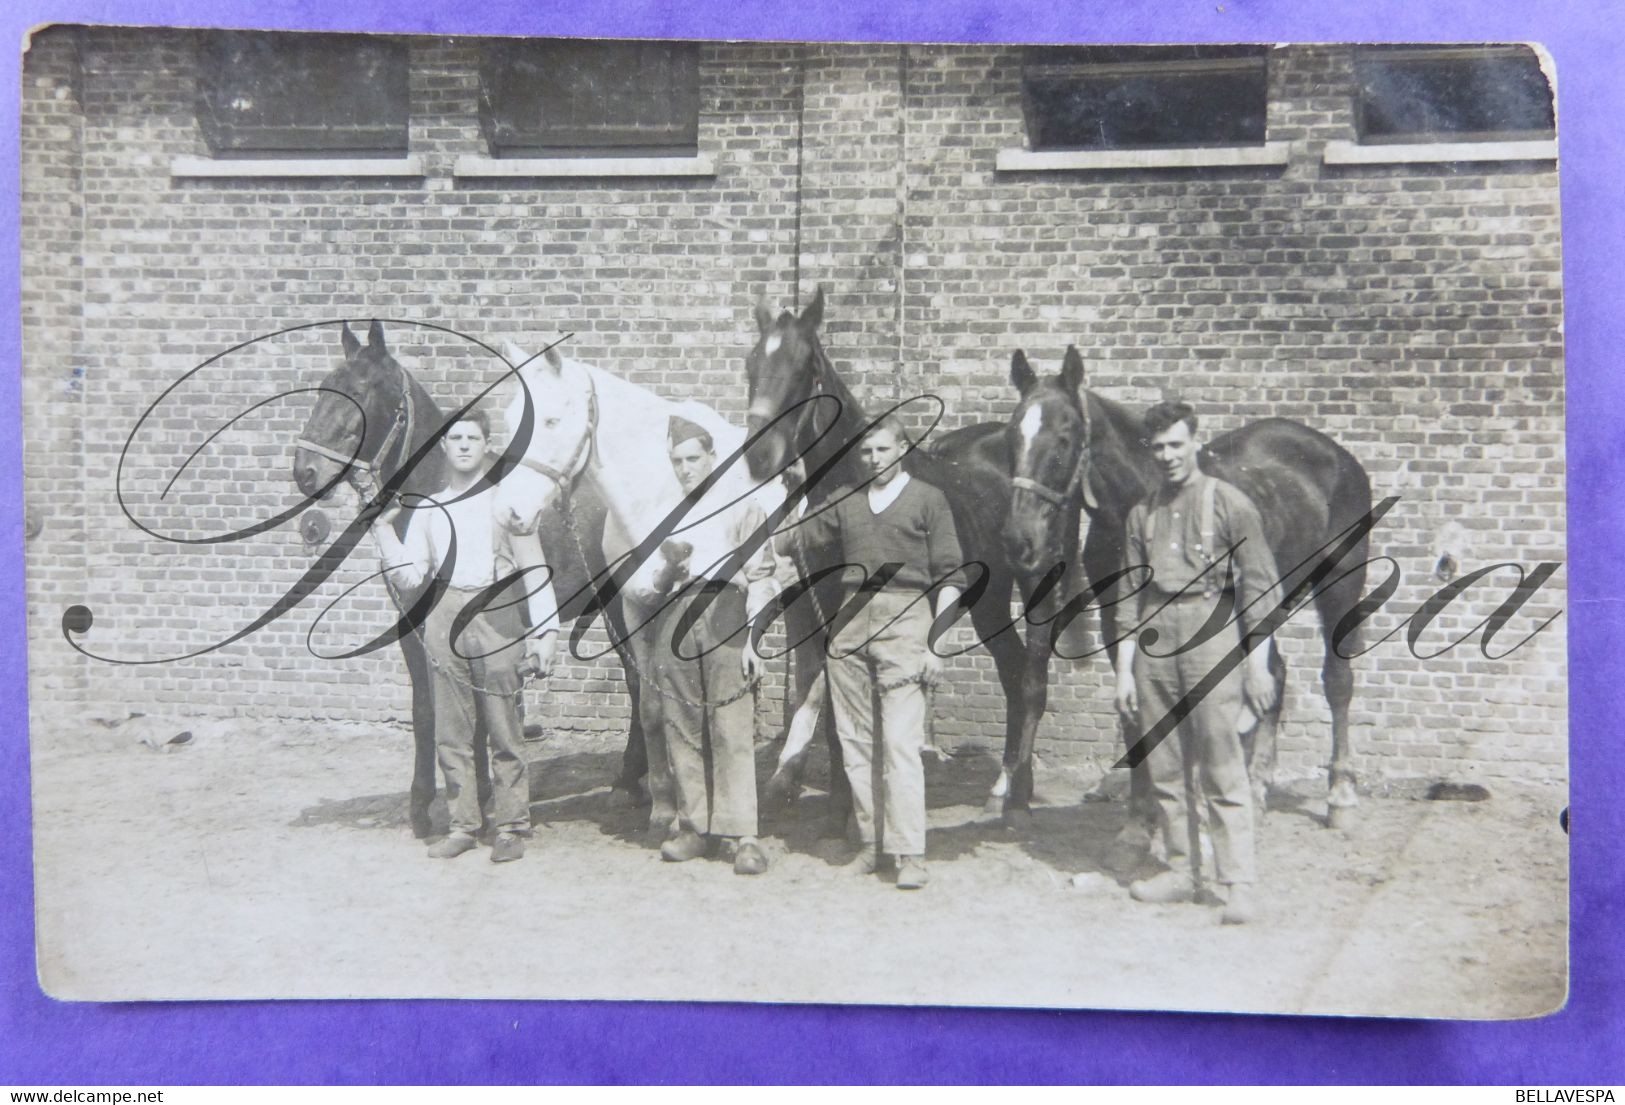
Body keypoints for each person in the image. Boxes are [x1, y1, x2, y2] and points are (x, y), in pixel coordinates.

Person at [1114, 399, 1281, 924]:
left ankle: (1238, 882)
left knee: (1221, 763)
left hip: (1213, 629)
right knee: (1164, 767)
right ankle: (1183, 870)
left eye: (1176, 444)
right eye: (1158, 447)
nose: (1167, 456)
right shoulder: (1141, 513)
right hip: (1154, 639)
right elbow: (1127, 597)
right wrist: (1123, 671)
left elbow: (1259, 589)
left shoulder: (1230, 503)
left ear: (1195, 443)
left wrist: (1257, 666)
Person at [370, 409, 558, 863]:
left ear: (486, 445)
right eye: (455, 438)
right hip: (444, 615)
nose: (464, 445)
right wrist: (381, 529)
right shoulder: (430, 509)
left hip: (498, 616)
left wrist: (546, 634)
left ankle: (511, 825)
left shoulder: (506, 502)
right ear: (444, 447)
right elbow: (412, 576)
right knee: (451, 731)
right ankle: (463, 824)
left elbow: (534, 573)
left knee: (504, 728)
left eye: (473, 437)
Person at [792, 416, 966, 890]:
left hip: (907, 620)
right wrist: (788, 494)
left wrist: (937, 645)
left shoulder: (928, 499)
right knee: (854, 743)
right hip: (850, 626)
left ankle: (908, 852)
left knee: (901, 746)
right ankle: (870, 845)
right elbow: (796, 538)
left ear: (903, 449)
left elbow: (952, 576)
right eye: (866, 453)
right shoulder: (848, 500)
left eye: (883, 450)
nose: (874, 460)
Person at [643, 415, 780, 876]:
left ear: (712, 457)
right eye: (677, 461)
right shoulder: (662, 510)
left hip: (726, 611)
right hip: (676, 616)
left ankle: (743, 835)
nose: (685, 469)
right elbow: (645, 586)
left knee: (731, 725)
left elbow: (763, 576)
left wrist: (754, 641)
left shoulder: (742, 505)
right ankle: (694, 827)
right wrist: (667, 569)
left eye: (693, 459)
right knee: (680, 724)